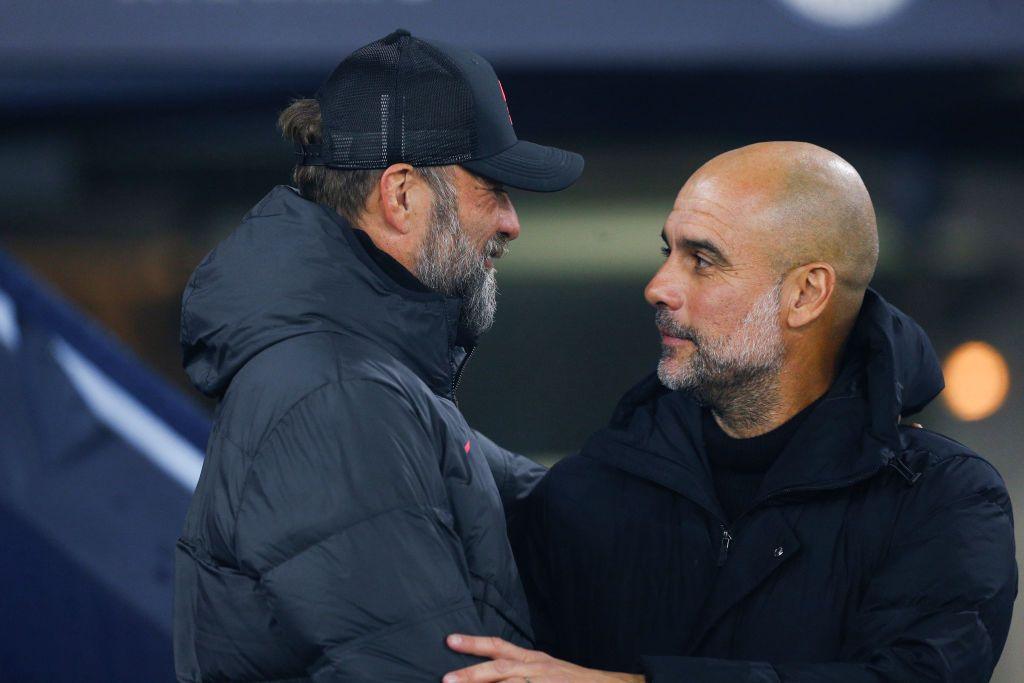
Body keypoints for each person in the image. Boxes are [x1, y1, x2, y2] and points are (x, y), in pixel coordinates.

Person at [441, 142, 1018, 683]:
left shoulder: (941, 500)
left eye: (702, 260)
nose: (658, 287)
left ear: (806, 294)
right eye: (668, 252)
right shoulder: (586, 493)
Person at [173, 29, 583, 682]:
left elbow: (570, 508)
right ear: (400, 196)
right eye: (492, 186)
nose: (511, 221)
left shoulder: (367, 375)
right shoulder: (338, 397)